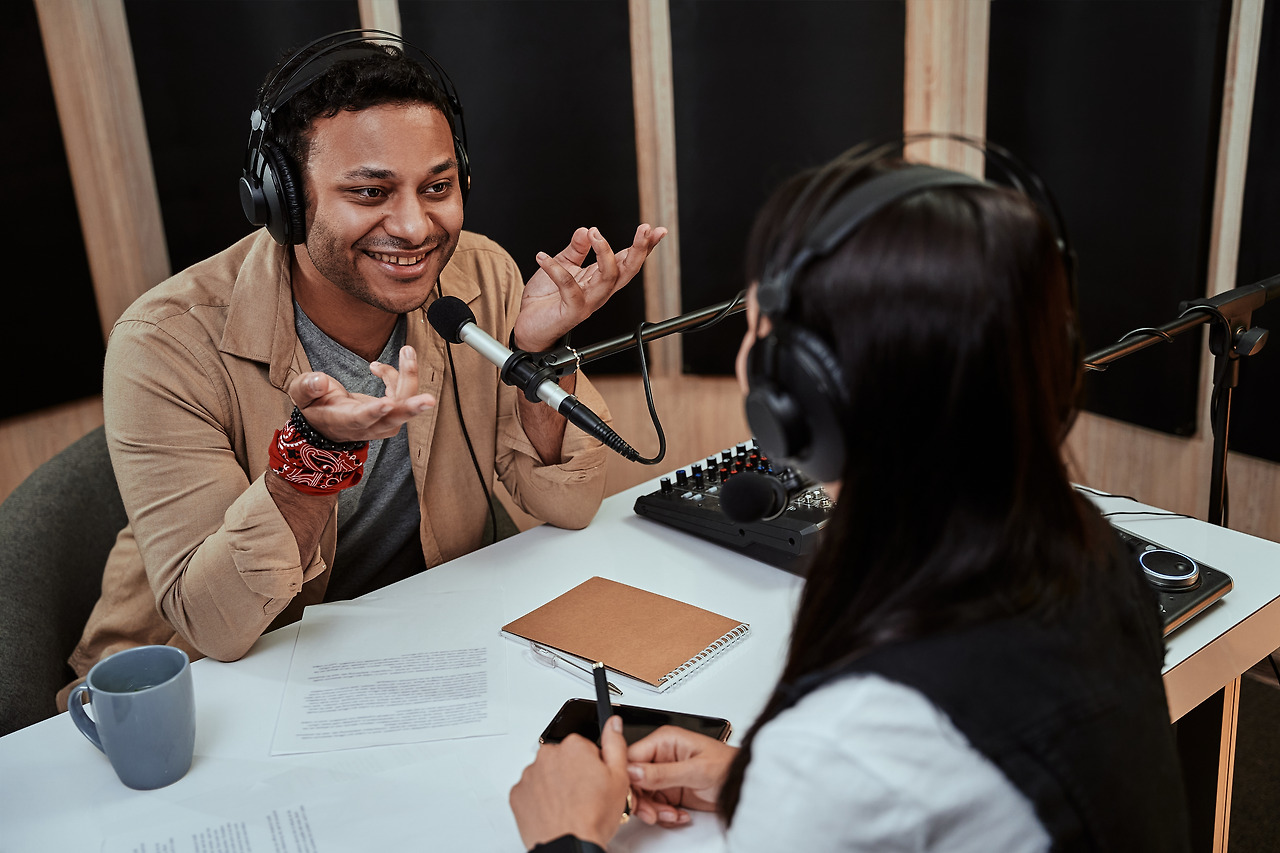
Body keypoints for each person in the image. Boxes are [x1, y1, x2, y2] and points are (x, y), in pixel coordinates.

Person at [508, 147, 1191, 851]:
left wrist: (565, 836)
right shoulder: (1085, 544)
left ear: (799, 392)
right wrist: (760, 779)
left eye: (762, 322)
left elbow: (878, 769)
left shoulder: (848, 742)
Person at [56, 33, 665, 709]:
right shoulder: (164, 344)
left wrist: (538, 355)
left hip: (399, 655)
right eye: (371, 192)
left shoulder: (479, 277)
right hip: (197, 691)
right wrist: (316, 457)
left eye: (437, 186)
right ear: (283, 199)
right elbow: (215, 626)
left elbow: (570, 503)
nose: (413, 226)